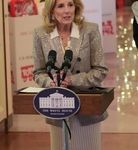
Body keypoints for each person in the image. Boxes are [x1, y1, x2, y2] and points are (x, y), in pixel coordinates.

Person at [32, 0, 109, 149]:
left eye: (70, 4)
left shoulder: (90, 30)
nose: (67, 10)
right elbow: (38, 72)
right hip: (57, 109)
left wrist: (71, 80)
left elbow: (100, 70)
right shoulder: (40, 34)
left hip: (87, 110)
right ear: (51, 11)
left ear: (76, 7)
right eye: (61, 6)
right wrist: (51, 83)